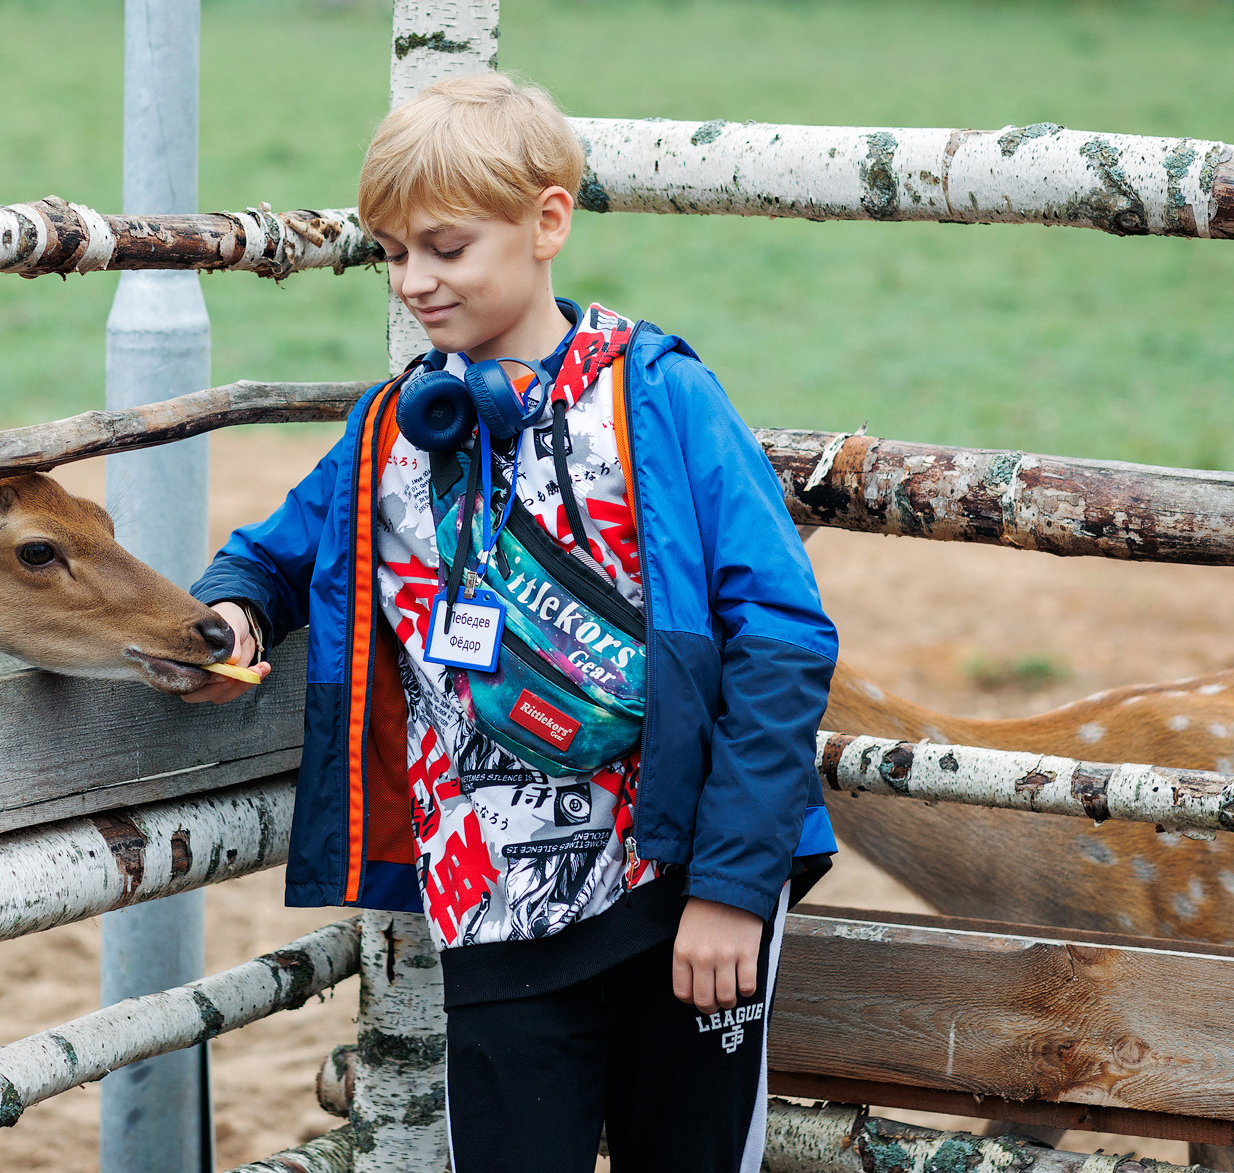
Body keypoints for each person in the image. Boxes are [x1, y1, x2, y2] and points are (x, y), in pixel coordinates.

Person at [178, 72, 837, 1173]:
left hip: (676, 899)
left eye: (442, 247)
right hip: (485, 911)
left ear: (546, 221)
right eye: (391, 253)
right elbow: (278, 551)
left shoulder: (656, 396)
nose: (413, 281)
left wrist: (728, 890)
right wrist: (233, 611)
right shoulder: (393, 423)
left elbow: (779, 634)